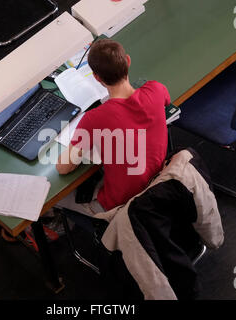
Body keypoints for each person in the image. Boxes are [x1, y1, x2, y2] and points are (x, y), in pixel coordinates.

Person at [56, 39, 170, 216]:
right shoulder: (156, 89)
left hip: (121, 206)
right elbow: (165, 101)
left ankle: (46, 225)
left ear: (97, 77)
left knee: (55, 199)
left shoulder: (94, 119)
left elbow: (63, 168)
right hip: (159, 184)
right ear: (128, 61)